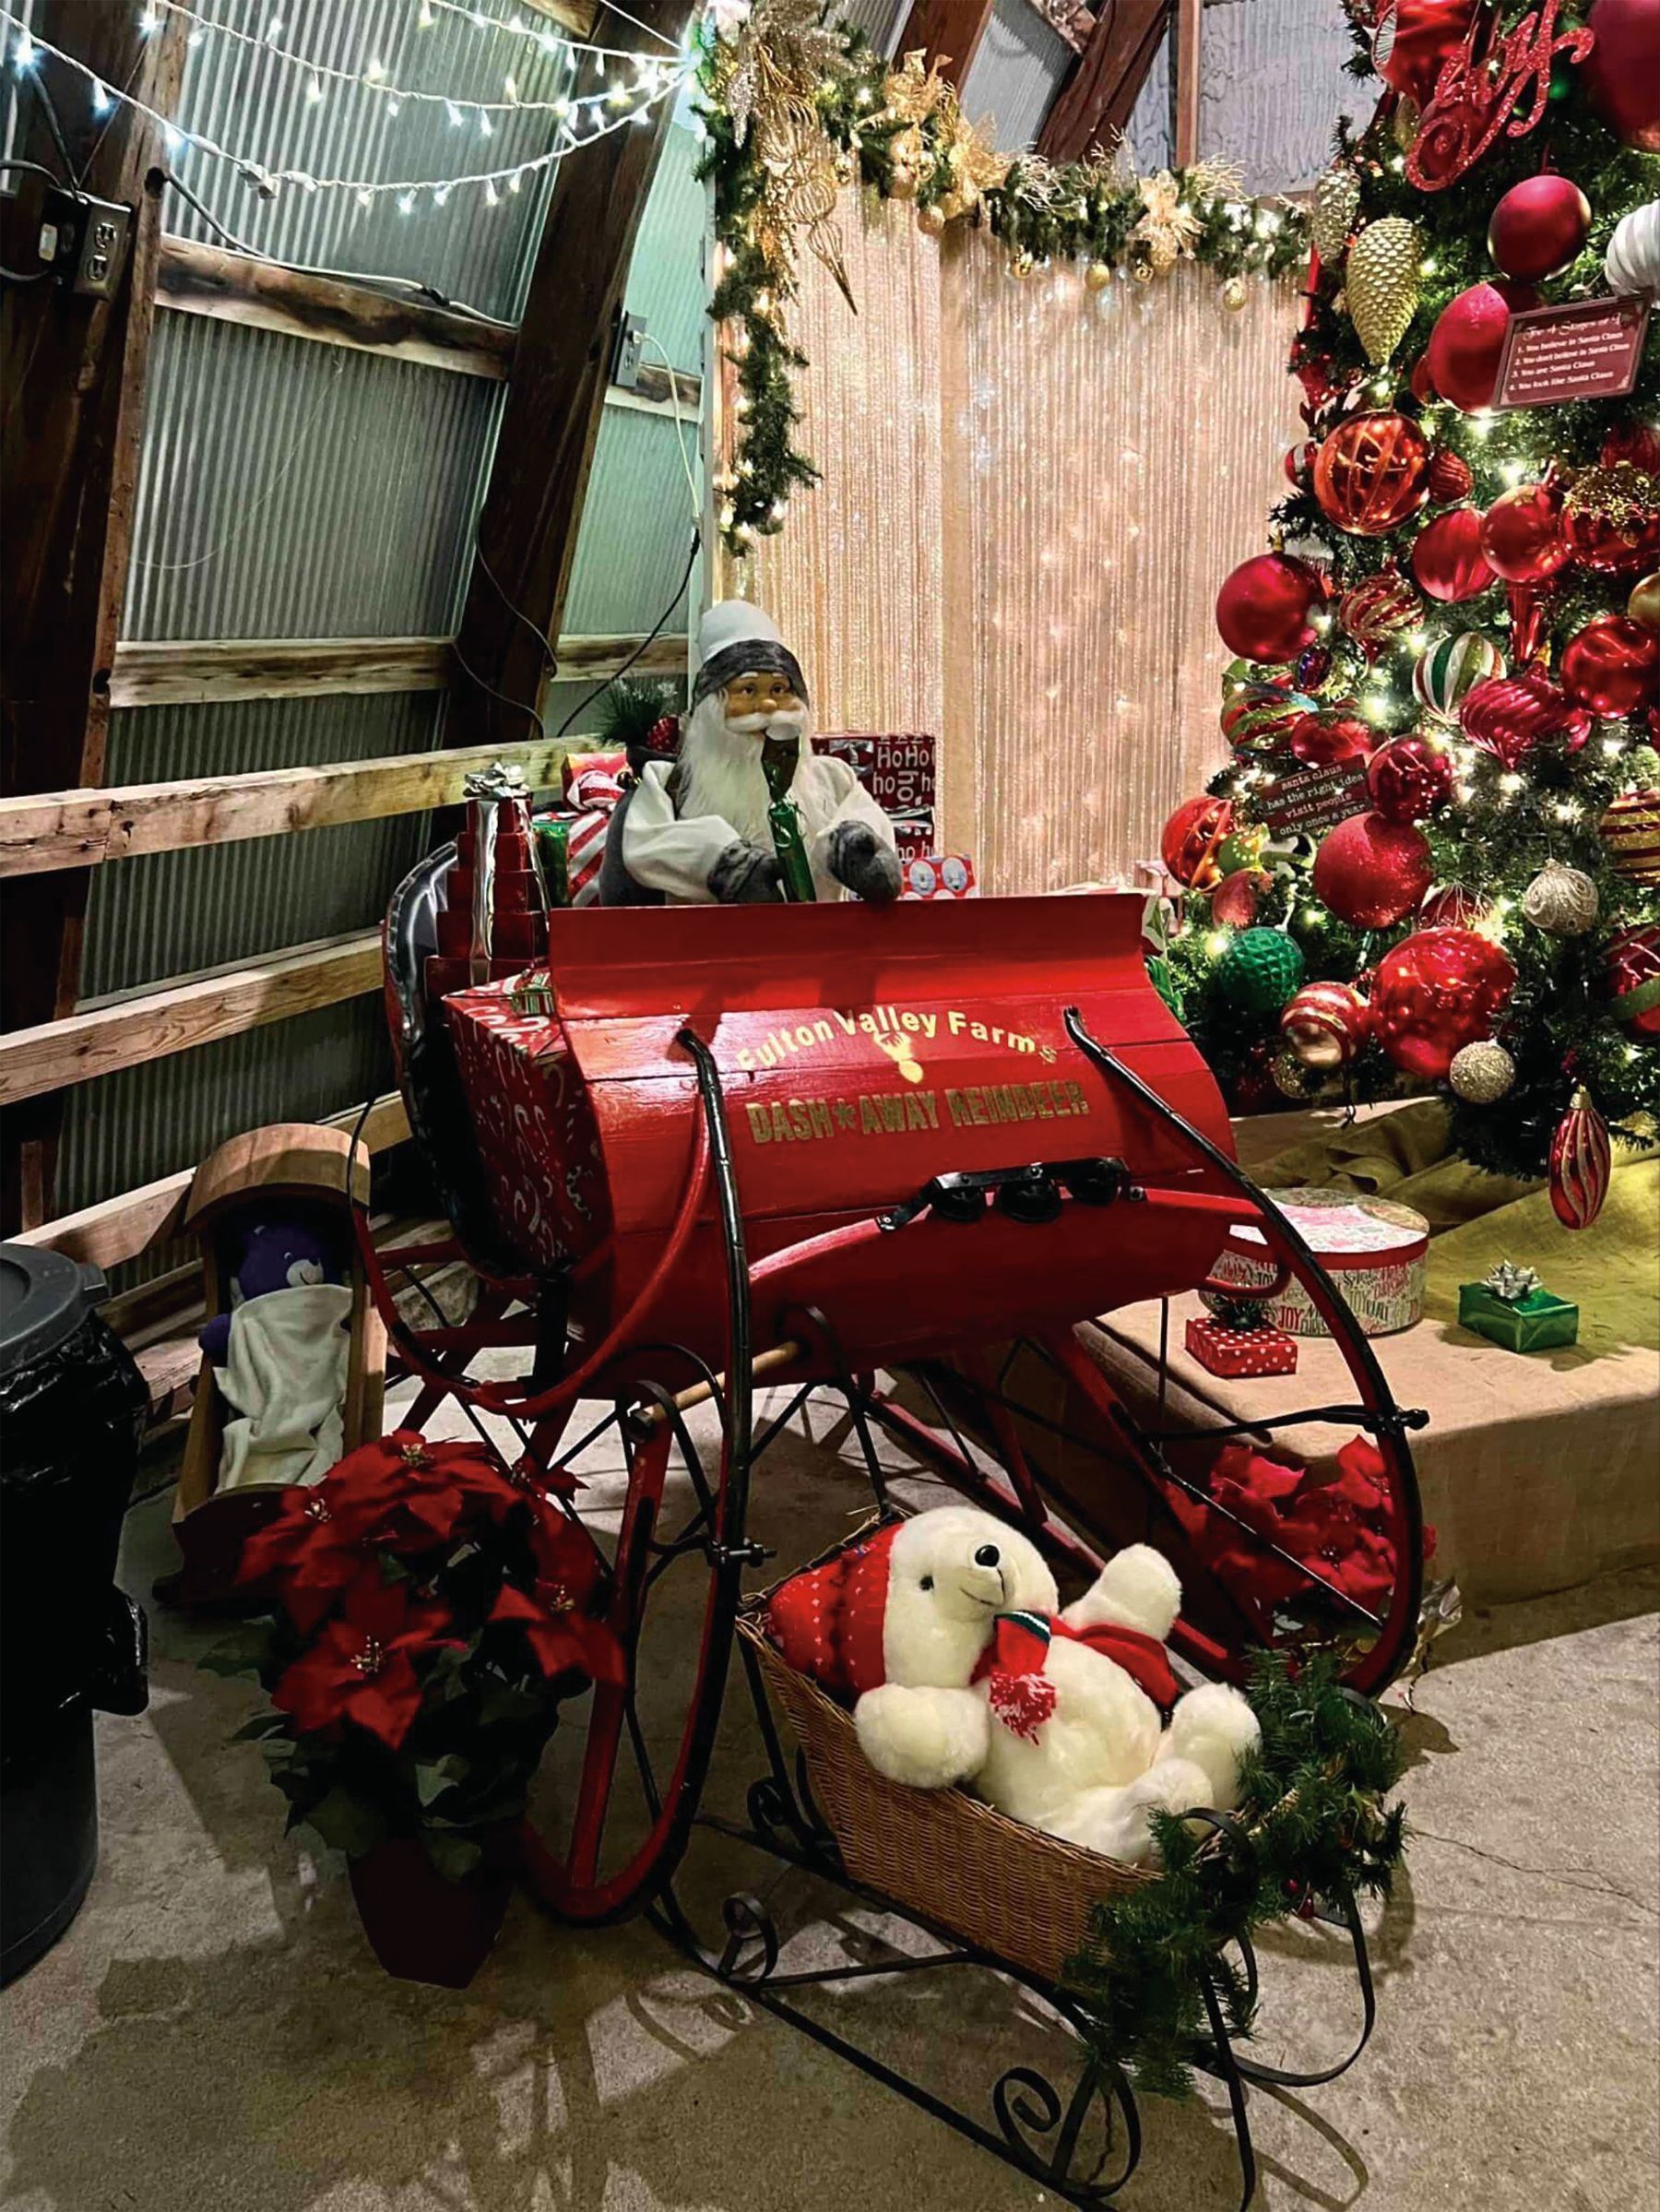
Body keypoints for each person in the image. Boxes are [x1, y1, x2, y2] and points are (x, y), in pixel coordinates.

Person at [599, 601, 900, 907]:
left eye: (779, 690)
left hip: (817, 947)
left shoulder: (831, 777)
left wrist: (851, 850)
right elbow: (644, 845)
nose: (768, 706)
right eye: (749, 690)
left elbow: (869, 825)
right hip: (708, 948)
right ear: (712, 707)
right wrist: (726, 864)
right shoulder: (668, 783)